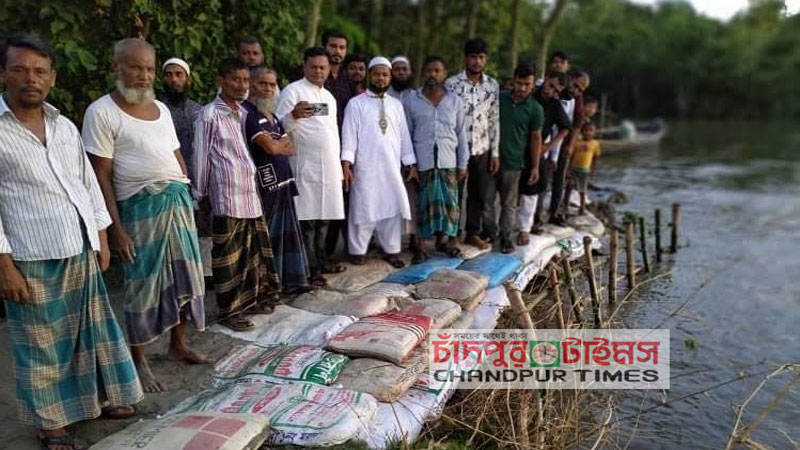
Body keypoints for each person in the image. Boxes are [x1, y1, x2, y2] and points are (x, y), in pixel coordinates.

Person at [0, 34, 142, 450]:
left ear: (53, 78)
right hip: (30, 254)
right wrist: (3, 264)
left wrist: (101, 235)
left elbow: (86, 184)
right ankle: (50, 424)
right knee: (42, 346)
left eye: (40, 71)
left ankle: (99, 399)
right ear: (3, 73)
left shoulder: (64, 125)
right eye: (21, 69)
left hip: (79, 245)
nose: (31, 78)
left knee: (91, 333)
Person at [84, 38, 208, 394]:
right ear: (117, 68)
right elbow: (101, 176)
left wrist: (188, 190)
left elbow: (175, 155)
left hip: (178, 202)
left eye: (148, 69)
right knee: (143, 285)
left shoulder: (160, 109)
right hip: (140, 210)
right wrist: (115, 230)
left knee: (186, 274)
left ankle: (178, 344)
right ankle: (138, 359)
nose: (143, 76)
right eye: (135, 67)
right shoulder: (101, 112)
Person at [194, 58, 281, 331]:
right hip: (226, 196)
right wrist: (200, 194)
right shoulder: (209, 115)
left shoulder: (242, 113)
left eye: (245, 80)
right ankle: (228, 311)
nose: (242, 85)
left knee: (250, 255)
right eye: (235, 79)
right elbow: (200, 158)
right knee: (228, 258)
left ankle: (249, 301)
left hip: (248, 195)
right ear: (220, 81)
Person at [276, 47, 346, 287]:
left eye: (323, 67)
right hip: (303, 168)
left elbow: (333, 134)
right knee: (305, 222)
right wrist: (293, 115)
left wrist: (338, 167)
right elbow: (278, 128)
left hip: (328, 168)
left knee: (323, 220)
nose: (318, 71)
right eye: (314, 66)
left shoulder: (329, 98)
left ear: (328, 69)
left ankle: (318, 266)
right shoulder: (292, 91)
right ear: (304, 66)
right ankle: (305, 271)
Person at [341, 56, 417, 268]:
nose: (381, 78)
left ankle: (391, 250)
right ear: (369, 76)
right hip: (365, 166)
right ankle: (357, 251)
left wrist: (410, 162)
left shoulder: (396, 105)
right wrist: (346, 164)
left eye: (385, 74)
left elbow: (404, 136)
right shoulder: (356, 104)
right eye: (377, 74)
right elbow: (348, 135)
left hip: (391, 167)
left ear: (390, 77)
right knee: (363, 206)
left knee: (390, 207)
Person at [244, 67, 310, 293]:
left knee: (286, 238)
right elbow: (271, 147)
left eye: (272, 85)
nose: (268, 89)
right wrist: (276, 146)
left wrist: (277, 146)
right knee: (267, 239)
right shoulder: (248, 114)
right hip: (265, 187)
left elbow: (288, 147)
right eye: (263, 84)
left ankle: (287, 282)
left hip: (283, 184)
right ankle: (267, 288)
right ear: (252, 85)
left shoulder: (271, 116)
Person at [403, 56, 468, 258]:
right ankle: (420, 246)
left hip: (448, 160)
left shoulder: (455, 101)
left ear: (444, 74)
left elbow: (461, 133)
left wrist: (463, 163)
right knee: (423, 205)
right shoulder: (412, 100)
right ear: (423, 73)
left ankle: (450, 242)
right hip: (423, 162)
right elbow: (406, 134)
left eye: (437, 71)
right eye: (429, 70)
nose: (433, 75)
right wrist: (411, 163)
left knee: (450, 204)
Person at [445, 38, 500, 250]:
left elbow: (494, 119)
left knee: (478, 193)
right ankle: (452, 234)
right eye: (473, 57)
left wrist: (495, 152)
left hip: (481, 148)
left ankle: (472, 233)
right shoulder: (452, 84)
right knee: (454, 193)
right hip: (457, 148)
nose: (477, 62)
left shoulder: (492, 85)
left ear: (485, 60)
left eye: (481, 57)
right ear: (465, 58)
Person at [160, 57, 213, 280]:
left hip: (201, 177)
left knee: (205, 226)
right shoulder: (157, 111)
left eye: (179, 74)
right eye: (169, 75)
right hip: (173, 179)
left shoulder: (199, 110)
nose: (174, 79)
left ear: (188, 79)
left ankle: (206, 274)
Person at [487, 63, 543, 253]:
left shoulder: (535, 109)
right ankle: (488, 234)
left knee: (509, 204)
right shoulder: (498, 99)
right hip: (490, 158)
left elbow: (536, 138)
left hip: (514, 162)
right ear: (513, 81)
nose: (522, 88)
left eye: (527, 84)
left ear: (533, 84)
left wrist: (535, 167)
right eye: (519, 83)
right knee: (487, 202)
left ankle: (506, 238)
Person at [516, 71, 571, 244]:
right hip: (513, 146)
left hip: (535, 150)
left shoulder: (554, 105)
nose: (551, 91)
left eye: (556, 91)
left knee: (532, 189)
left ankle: (525, 228)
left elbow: (565, 127)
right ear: (545, 79)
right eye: (550, 86)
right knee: (506, 189)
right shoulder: (528, 92)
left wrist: (549, 145)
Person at [547, 71, 590, 224]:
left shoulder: (575, 100)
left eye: (580, 90)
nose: (576, 91)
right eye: (576, 86)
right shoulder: (555, 91)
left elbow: (577, 123)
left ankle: (554, 212)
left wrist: (571, 144)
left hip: (563, 142)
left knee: (559, 178)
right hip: (545, 140)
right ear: (571, 79)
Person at [565, 122, 600, 215]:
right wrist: (568, 168)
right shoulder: (577, 142)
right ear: (582, 131)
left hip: (585, 170)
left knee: (583, 189)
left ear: (594, 133)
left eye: (590, 130)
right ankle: (565, 204)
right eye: (586, 130)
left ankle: (582, 206)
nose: (588, 132)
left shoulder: (595, 144)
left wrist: (594, 169)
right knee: (569, 186)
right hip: (574, 168)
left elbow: (595, 158)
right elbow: (572, 156)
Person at [321, 28, 352, 128]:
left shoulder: (349, 78)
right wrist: (327, 109)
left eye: (342, 48)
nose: (338, 51)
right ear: (324, 47)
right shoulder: (315, 74)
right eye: (333, 46)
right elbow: (307, 108)